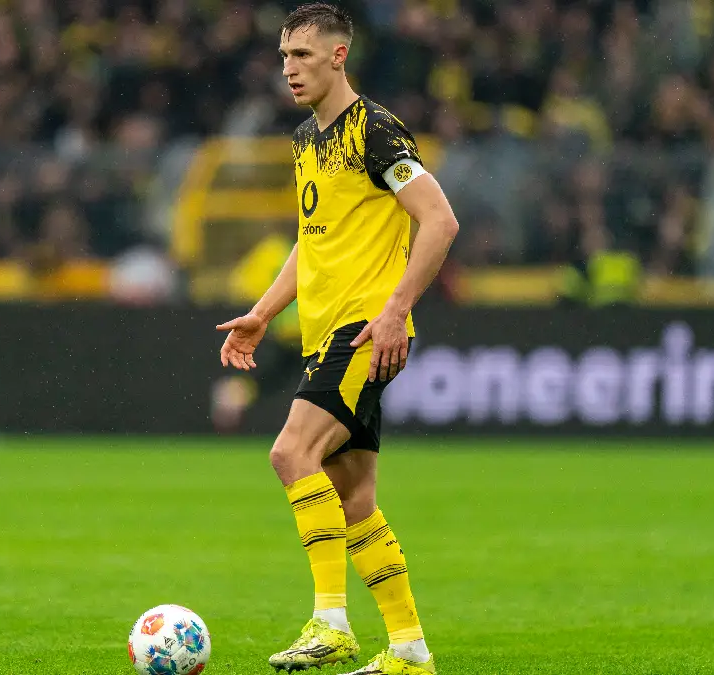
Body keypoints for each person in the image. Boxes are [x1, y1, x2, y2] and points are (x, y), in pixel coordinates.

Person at [215, 4, 459, 674]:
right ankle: (409, 649)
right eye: (284, 57)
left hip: (362, 329)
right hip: (328, 329)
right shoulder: (306, 140)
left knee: (291, 453)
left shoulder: (375, 130)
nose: (289, 69)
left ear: (338, 56)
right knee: (353, 500)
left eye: (302, 56)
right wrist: (263, 311)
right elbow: (312, 238)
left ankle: (330, 621)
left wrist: (395, 309)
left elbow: (439, 220)